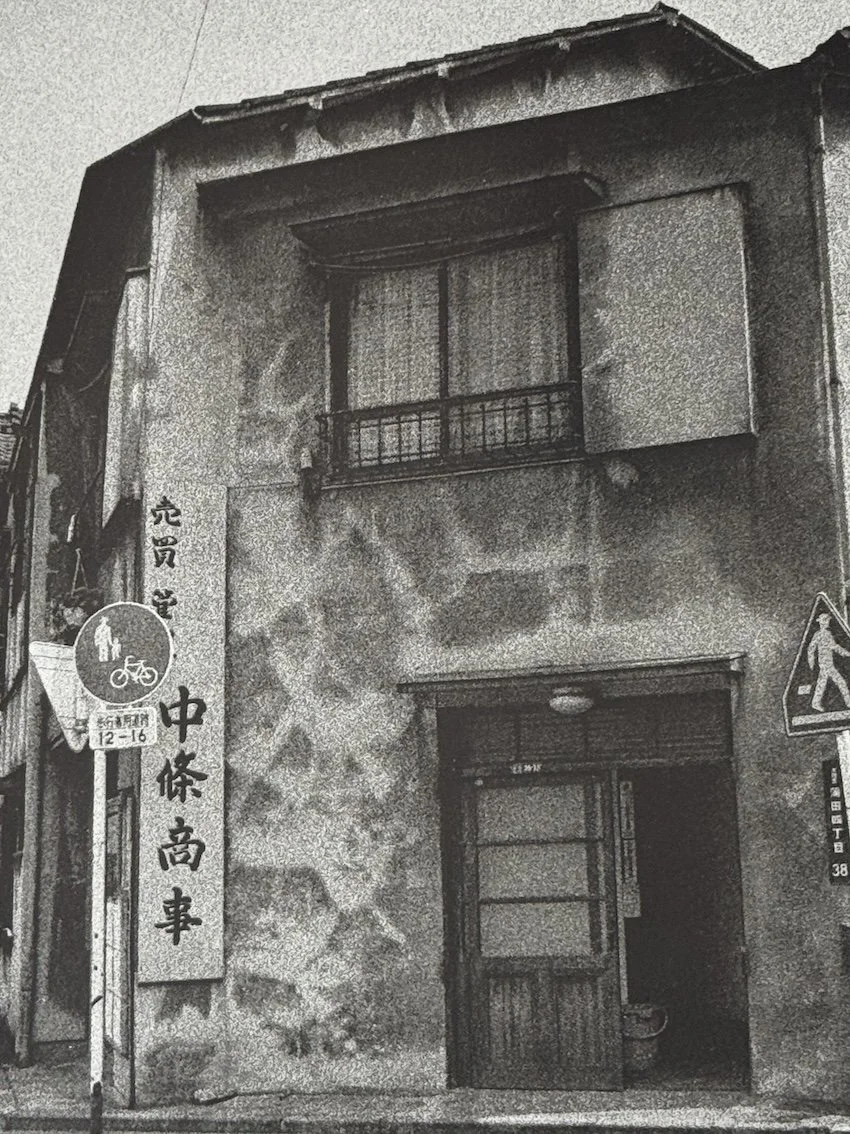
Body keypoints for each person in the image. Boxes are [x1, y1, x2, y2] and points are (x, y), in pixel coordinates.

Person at [807, 613, 850, 712]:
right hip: (826, 664)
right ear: (822, 622)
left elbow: (834, 647)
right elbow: (812, 648)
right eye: (826, 620)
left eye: (828, 620)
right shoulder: (821, 634)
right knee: (841, 682)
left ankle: (815, 703)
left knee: (822, 684)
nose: (828, 622)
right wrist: (811, 661)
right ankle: (848, 702)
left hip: (826, 663)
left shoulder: (825, 634)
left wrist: (847, 653)